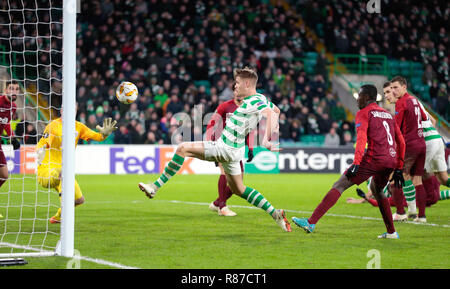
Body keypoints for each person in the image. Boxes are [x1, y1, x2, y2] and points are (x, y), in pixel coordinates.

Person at [138, 67, 291, 232]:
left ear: (247, 83)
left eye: (238, 83)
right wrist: (269, 135)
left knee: (182, 148)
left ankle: (155, 187)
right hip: (235, 152)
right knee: (238, 189)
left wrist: (266, 139)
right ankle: (275, 213)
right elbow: (277, 111)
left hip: (224, 147)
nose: (235, 86)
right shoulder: (260, 98)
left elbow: (270, 113)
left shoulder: (254, 101)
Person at [292, 84, 406, 239]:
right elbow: (401, 141)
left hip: (374, 158)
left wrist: (357, 163)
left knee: (339, 185)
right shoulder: (388, 115)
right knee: (377, 190)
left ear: (366, 97)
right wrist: (398, 167)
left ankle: (310, 222)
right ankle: (392, 232)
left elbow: (361, 139)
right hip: (391, 160)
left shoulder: (364, 113)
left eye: (359, 96)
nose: (357, 99)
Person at [36, 115, 117, 223]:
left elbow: (97, 136)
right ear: (61, 110)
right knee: (62, 175)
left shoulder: (78, 126)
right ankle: (66, 219)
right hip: (47, 170)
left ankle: (58, 217)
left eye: (74, 107)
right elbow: (43, 143)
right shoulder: (53, 126)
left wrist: (104, 134)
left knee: (79, 200)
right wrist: (39, 150)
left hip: (63, 170)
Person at [206, 82, 254, 217]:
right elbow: (211, 124)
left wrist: (250, 148)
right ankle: (222, 207)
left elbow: (249, 129)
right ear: (233, 92)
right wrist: (211, 143)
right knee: (224, 172)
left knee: (238, 184)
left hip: (237, 147)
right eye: (237, 90)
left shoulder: (247, 109)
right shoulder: (225, 106)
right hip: (222, 143)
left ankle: (217, 203)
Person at [385, 77, 428, 222]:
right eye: (392, 88)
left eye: (396, 87)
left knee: (394, 178)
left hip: (409, 145)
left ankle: (400, 213)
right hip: (421, 144)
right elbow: (424, 117)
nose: (394, 91)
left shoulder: (401, 103)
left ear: (404, 87)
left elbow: (396, 128)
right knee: (417, 180)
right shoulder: (415, 101)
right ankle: (421, 216)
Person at [0, 81, 21, 190]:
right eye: (11, 88)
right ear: (5, 90)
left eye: (17, 89)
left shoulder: (13, 107)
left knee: (4, 176)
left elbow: (6, 122)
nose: (14, 91)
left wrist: (13, 138)